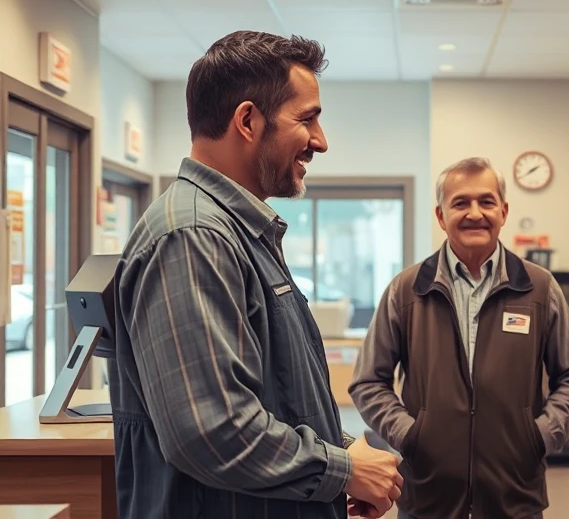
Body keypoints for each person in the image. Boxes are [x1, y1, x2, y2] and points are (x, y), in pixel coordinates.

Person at [110, 31, 403, 519]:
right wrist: (342, 469)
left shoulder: (237, 232)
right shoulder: (194, 237)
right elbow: (211, 430)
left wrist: (343, 450)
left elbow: (277, 397)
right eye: (306, 119)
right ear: (248, 121)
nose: (320, 141)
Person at [349, 157, 569, 519]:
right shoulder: (407, 290)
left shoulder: (539, 287)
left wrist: (541, 435)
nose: (475, 213)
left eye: (486, 202)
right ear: (440, 215)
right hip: (428, 495)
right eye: (461, 202)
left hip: (514, 495)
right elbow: (368, 381)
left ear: (503, 211)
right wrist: (409, 434)